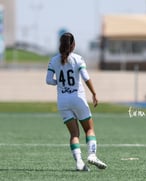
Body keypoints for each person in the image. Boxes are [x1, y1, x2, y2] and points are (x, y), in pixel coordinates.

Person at [46, 32, 107, 171]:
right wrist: (94, 93)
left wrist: (60, 83)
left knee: (74, 134)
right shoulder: (78, 59)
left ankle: (79, 162)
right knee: (89, 129)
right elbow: (86, 77)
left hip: (62, 101)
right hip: (77, 98)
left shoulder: (53, 60)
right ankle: (92, 155)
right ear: (73, 45)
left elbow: (48, 80)